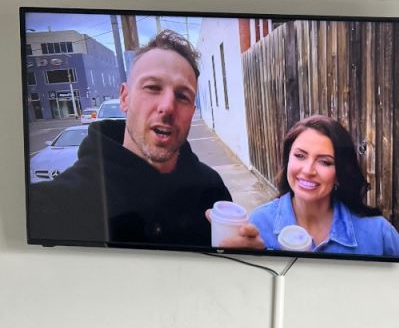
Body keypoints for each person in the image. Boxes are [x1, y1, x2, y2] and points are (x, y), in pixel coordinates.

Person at [28, 30, 250, 248]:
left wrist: (245, 258)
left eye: (183, 96)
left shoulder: (211, 189)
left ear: (192, 112)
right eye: (152, 87)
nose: (167, 107)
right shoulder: (59, 204)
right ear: (125, 98)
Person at [213, 115, 399, 256]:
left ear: (340, 173)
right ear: (287, 161)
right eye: (300, 156)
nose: (308, 170)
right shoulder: (258, 224)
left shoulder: (378, 234)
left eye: (325, 162)